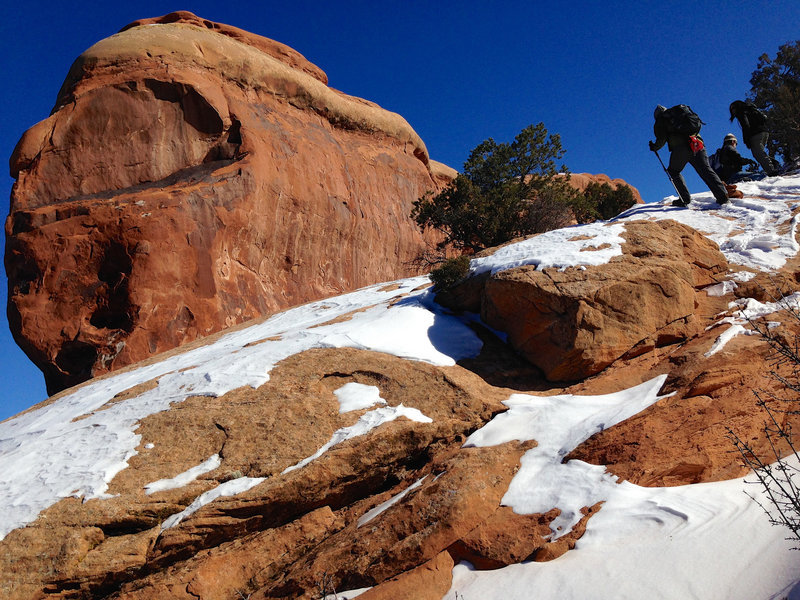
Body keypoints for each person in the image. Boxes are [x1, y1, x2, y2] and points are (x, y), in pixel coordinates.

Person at [649, 104, 729, 207]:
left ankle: (684, 199)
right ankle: (723, 196)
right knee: (705, 169)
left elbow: (661, 139)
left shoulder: (662, 120)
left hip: (681, 148)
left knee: (673, 171)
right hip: (697, 143)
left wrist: (654, 147)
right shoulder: (680, 114)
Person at [729, 100, 780, 176]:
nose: (733, 111)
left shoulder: (741, 112)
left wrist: (746, 140)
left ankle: (772, 172)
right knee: (760, 152)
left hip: (755, 134)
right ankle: (774, 164)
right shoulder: (750, 109)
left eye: (733, 108)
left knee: (758, 153)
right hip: (764, 132)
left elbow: (745, 126)